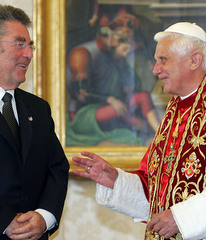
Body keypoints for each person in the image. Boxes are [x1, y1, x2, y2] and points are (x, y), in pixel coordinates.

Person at [73, 22, 206, 240]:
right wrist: (116, 180)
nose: (155, 70)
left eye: (163, 60)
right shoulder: (177, 106)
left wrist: (181, 218)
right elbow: (156, 189)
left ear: (194, 60)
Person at [0, 5, 69, 240]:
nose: (28, 54)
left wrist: (44, 217)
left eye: (30, 46)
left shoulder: (38, 109)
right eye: (20, 44)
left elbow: (57, 168)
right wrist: (5, 221)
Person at [66, 7, 160, 146]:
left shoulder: (117, 56)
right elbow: (81, 94)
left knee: (143, 96)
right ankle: (146, 131)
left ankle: (159, 134)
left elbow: (133, 88)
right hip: (85, 114)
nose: (126, 44)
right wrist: (110, 99)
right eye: (121, 38)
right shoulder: (82, 53)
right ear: (106, 34)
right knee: (128, 116)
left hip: (116, 107)